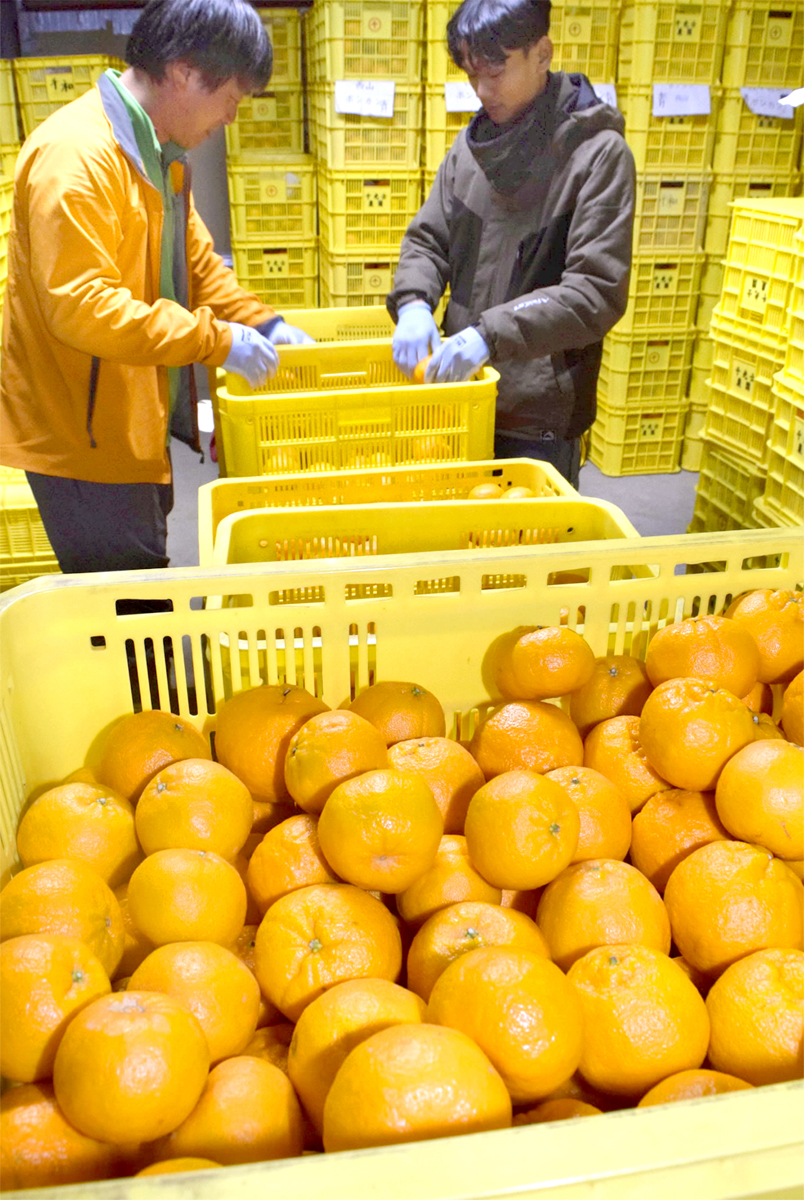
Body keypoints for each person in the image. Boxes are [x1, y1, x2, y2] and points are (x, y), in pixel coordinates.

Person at [0, 0, 312, 574]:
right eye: (232, 98)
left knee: (144, 566)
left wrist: (264, 323)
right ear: (187, 72)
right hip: (82, 434)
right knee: (126, 605)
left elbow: (195, 262)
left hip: (131, 410)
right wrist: (216, 342)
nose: (231, 117)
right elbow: (83, 309)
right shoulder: (77, 160)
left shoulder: (157, 153)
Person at [387, 0, 636, 487]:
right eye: (471, 74)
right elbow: (428, 239)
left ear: (542, 53)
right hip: (460, 391)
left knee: (525, 552)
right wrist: (414, 302)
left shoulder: (597, 155)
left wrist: (487, 335)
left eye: (496, 71)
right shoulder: (471, 147)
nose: (481, 91)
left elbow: (595, 293)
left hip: (538, 408)